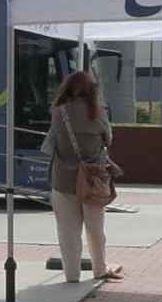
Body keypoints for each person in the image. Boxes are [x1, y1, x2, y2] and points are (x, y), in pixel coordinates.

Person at [47, 70, 123, 283]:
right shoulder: (98, 112)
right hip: (93, 179)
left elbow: (52, 142)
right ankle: (99, 269)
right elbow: (108, 139)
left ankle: (72, 275)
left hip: (63, 179)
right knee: (95, 229)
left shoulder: (58, 112)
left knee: (68, 232)